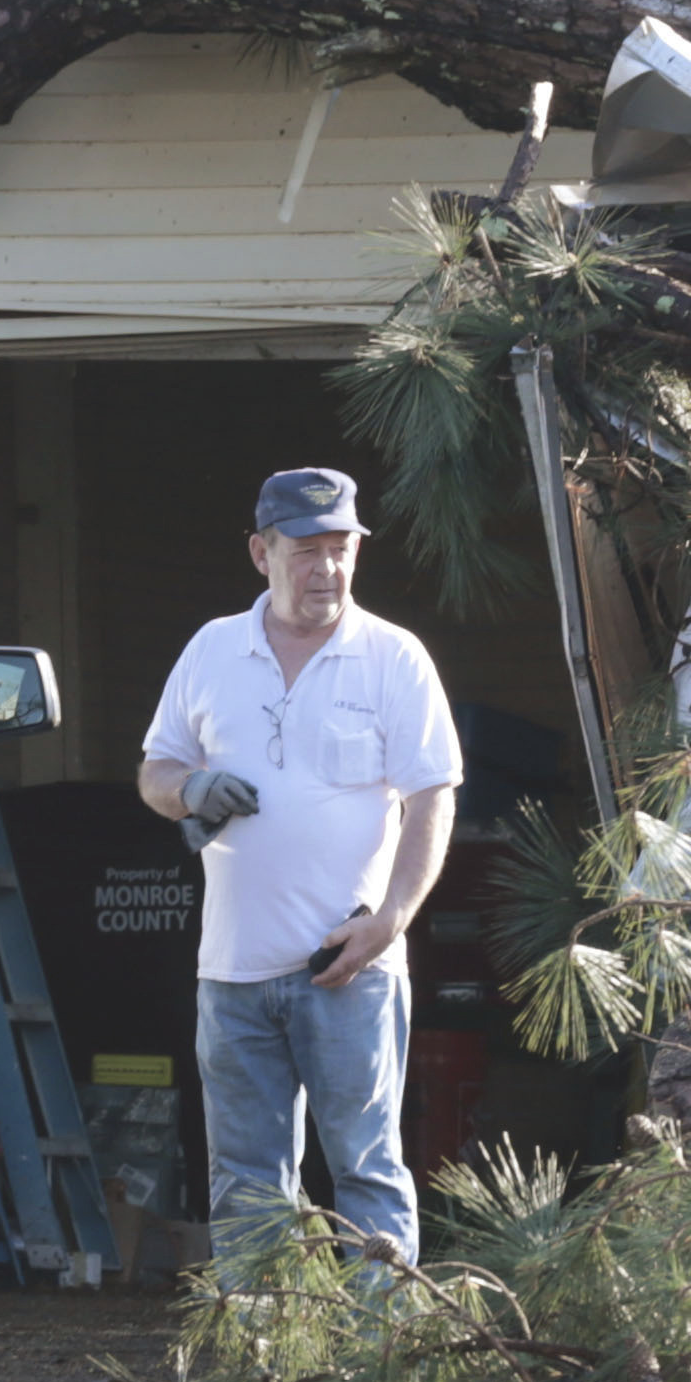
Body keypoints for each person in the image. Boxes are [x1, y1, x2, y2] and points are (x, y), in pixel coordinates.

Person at [134, 466, 462, 1270]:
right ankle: (265, 1362)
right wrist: (190, 788)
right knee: (245, 1185)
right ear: (261, 552)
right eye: (307, 551)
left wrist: (387, 925)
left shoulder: (394, 657)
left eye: (342, 549)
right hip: (233, 975)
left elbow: (433, 801)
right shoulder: (212, 649)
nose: (328, 569)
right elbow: (155, 772)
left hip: (348, 966)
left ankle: (377, 1367)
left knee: (368, 1173)